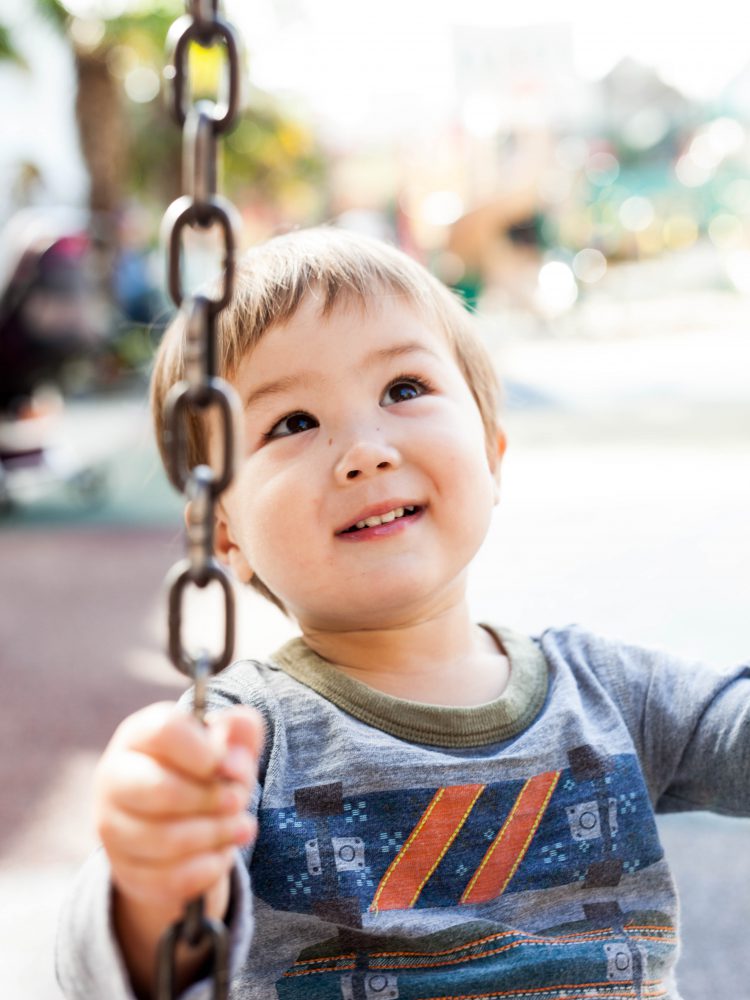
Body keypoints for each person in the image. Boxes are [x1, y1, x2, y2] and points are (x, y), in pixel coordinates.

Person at [57, 227, 750, 1000]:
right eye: (292, 423)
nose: (366, 450)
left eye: (404, 390)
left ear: (491, 452)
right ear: (225, 532)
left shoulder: (612, 694)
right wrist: (148, 882)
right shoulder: (240, 741)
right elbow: (100, 974)